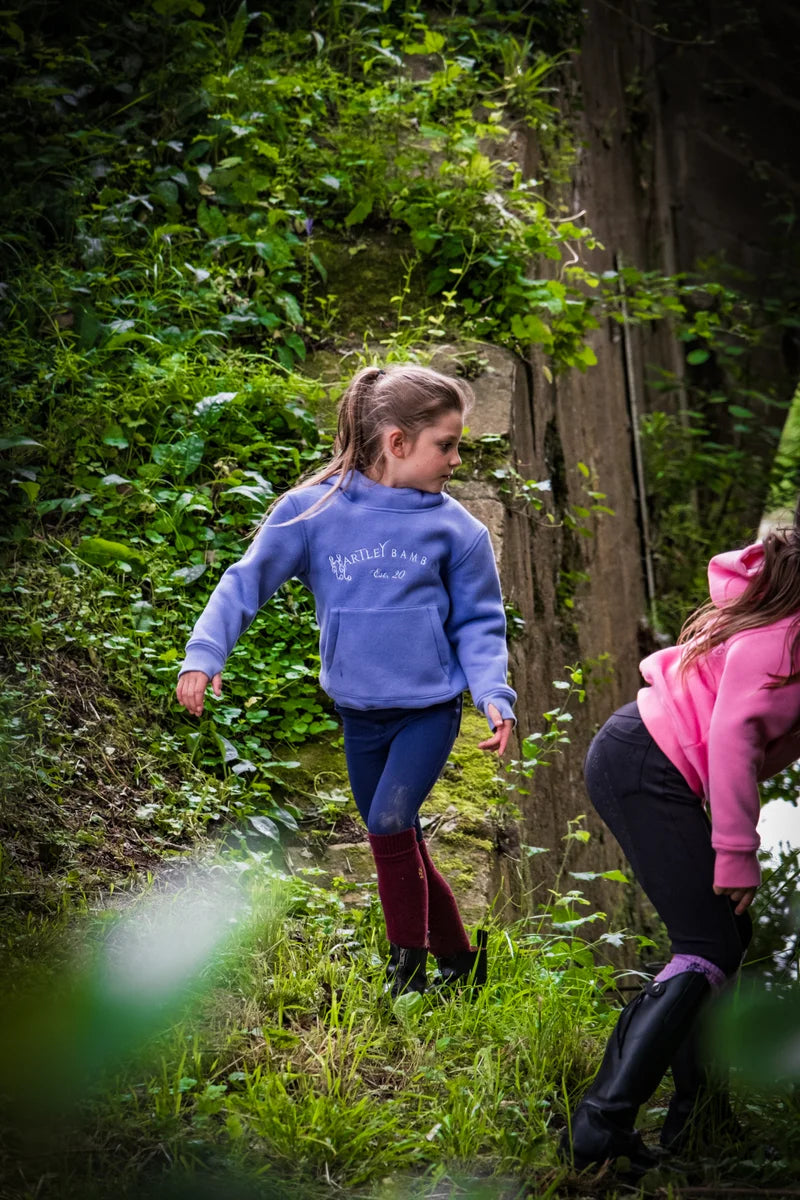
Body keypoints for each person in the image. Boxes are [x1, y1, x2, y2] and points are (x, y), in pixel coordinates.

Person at [176, 364, 516, 997]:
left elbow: (480, 624)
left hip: (427, 711)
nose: (456, 458)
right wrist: (205, 653)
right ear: (396, 442)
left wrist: (493, 695)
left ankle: (406, 970)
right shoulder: (314, 511)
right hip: (358, 713)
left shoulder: (458, 531)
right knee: (401, 836)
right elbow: (245, 582)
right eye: (447, 444)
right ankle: (462, 963)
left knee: (388, 823)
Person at [561, 506, 800, 1172]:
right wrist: (736, 855)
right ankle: (599, 1128)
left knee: (724, 940)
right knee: (708, 944)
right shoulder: (784, 635)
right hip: (643, 764)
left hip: (653, 764)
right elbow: (730, 739)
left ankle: (697, 1126)